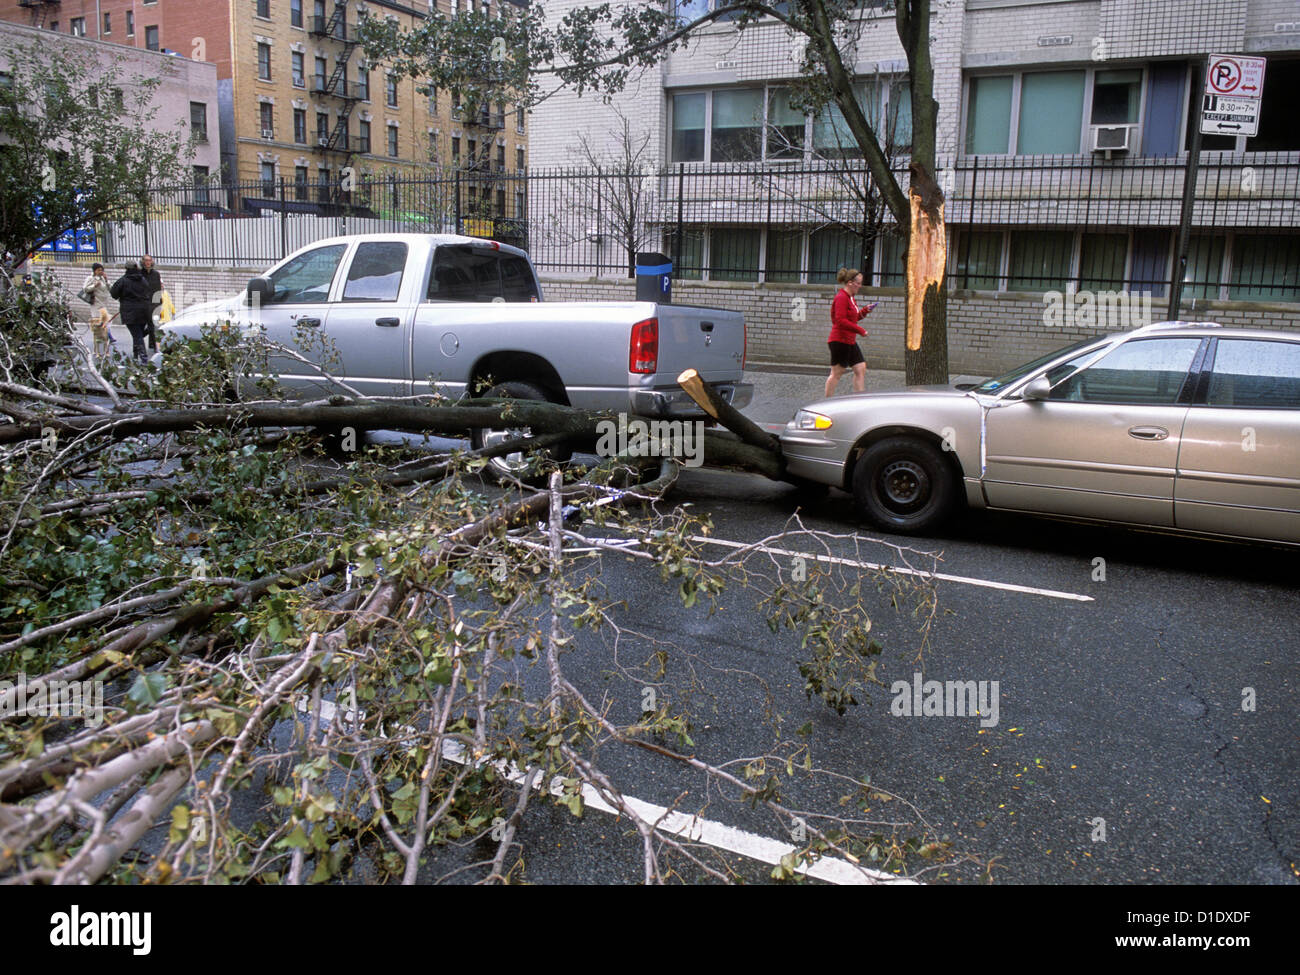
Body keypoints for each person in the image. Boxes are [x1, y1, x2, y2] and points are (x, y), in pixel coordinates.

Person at [825, 267, 877, 398]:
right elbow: (840, 320)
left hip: (849, 340)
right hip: (839, 340)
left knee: (860, 368)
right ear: (850, 283)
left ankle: (858, 400)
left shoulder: (851, 298)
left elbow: (853, 319)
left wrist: (865, 311)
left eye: (860, 283)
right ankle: (826, 402)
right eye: (858, 283)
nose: (860, 286)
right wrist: (861, 330)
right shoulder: (842, 297)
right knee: (837, 373)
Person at [109, 261, 155, 362]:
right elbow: (148, 291)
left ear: (126, 269)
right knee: (138, 333)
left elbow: (114, 294)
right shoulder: (143, 279)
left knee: (137, 334)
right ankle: (135, 354)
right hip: (144, 310)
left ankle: (144, 358)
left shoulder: (123, 281)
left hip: (130, 312)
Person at [81, 263, 118, 351]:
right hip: (96, 303)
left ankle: (106, 335)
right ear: (94, 271)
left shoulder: (103, 278)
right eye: (98, 270)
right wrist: (94, 286)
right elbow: (85, 289)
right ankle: (103, 336)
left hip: (104, 302)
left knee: (105, 320)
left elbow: (110, 288)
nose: (100, 272)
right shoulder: (90, 278)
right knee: (99, 320)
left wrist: (106, 280)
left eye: (101, 270)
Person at [141, 254, 163, 353]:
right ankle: (146, 340)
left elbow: (158, 288)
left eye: (149, 260)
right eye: (146, 260)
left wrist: (159, 302)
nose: (148, 262)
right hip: (144, 302)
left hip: (155, 302)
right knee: (148, 324)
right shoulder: (140, 274)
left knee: (154, 324)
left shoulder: (156, 274)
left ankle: (154, 344)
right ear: (142, 262)